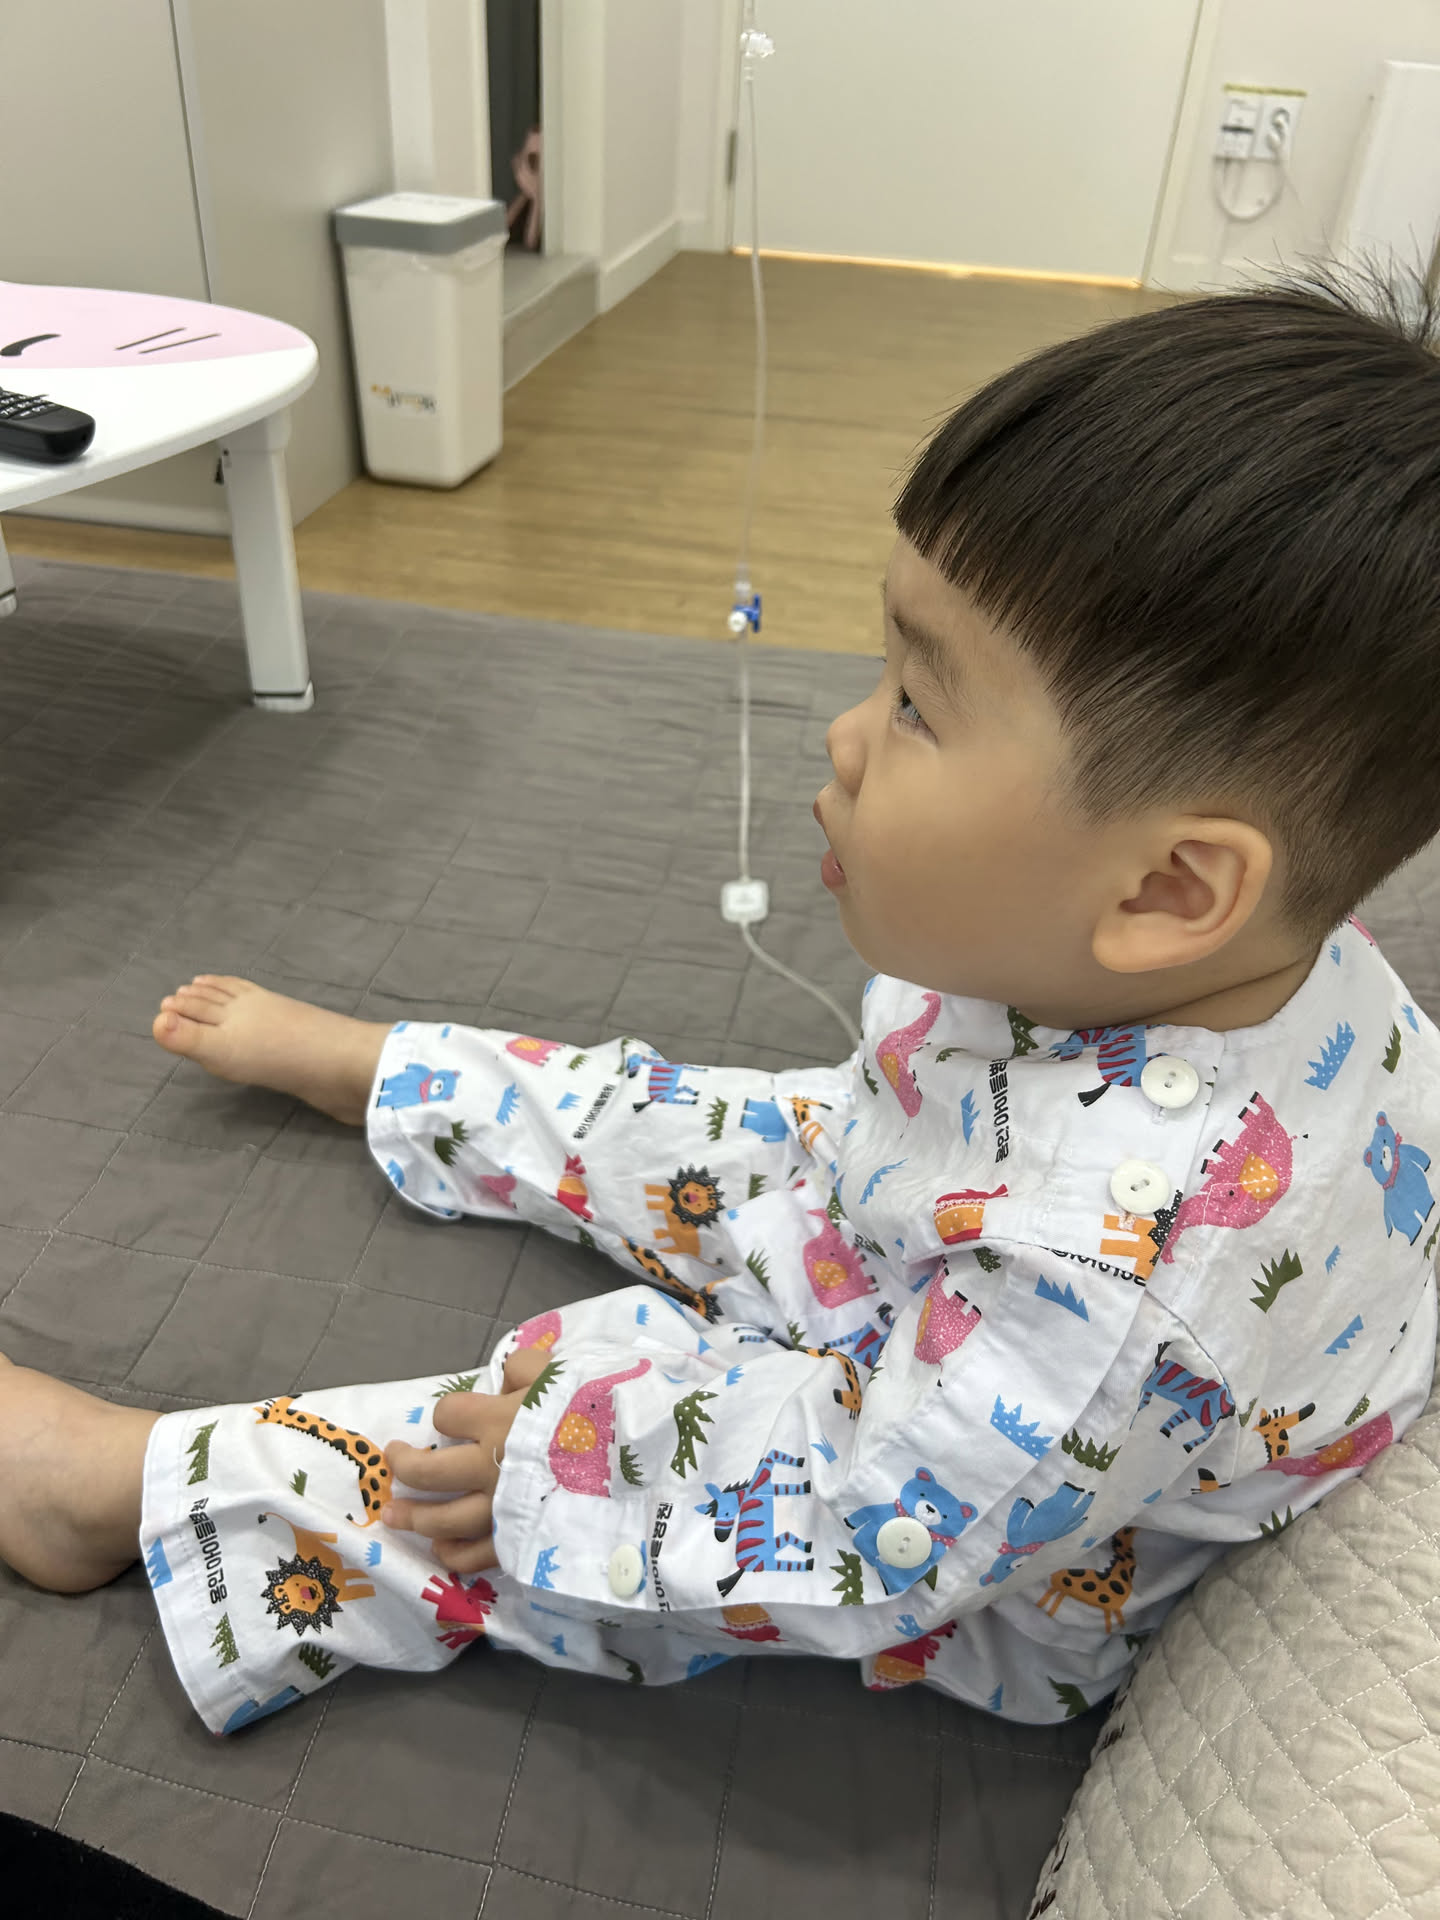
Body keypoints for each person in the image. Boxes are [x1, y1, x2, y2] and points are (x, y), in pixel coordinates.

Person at [2, 258, 1438, 1734]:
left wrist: (572, 1479)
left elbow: (871, 1538)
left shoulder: (1119, 1305)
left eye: (916, 706)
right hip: (917, 1208)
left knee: (519, 1470)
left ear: (1167, 892)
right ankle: (411, 1083)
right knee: (683, 1117)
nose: (846, 735)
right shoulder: (1242, 960)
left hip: (962, 1532)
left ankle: (117, 1489)